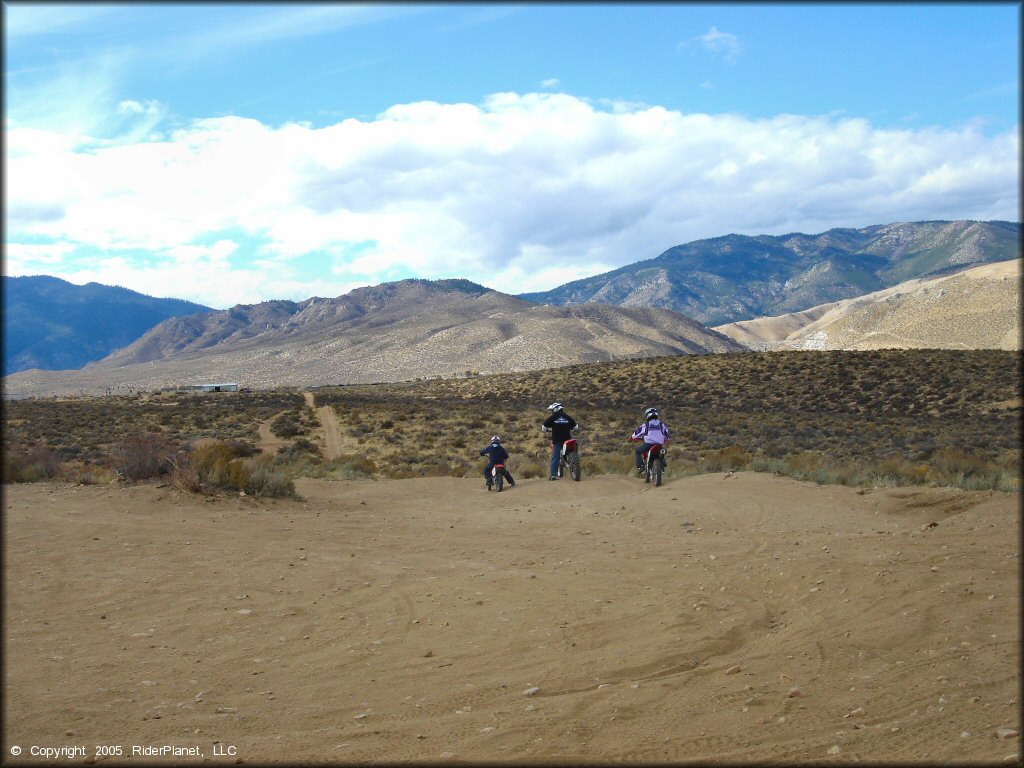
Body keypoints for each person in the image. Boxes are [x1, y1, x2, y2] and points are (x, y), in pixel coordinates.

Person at [542, 402, 579, 480]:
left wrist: (548, 430)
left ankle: (553, 475)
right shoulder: (567, 417)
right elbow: (576, 427)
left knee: (556, 457)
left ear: (556, 409)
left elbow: (543, 428)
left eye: (552, 410)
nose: (552, 411)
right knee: (575, 448)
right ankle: (573, 461)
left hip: (557, 441)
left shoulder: (552, 417)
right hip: (568, 439)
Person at [629, 407, 671, 473]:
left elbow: (638, 432)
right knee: (662, 452)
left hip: (649, 443)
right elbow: (666, 434)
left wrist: (631, 437)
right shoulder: (661, 424)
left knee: (638, 451)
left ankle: (641, 466)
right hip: (659, 444)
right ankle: (662, 466)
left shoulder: (646, 424)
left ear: (648, 415)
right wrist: (666, 440)